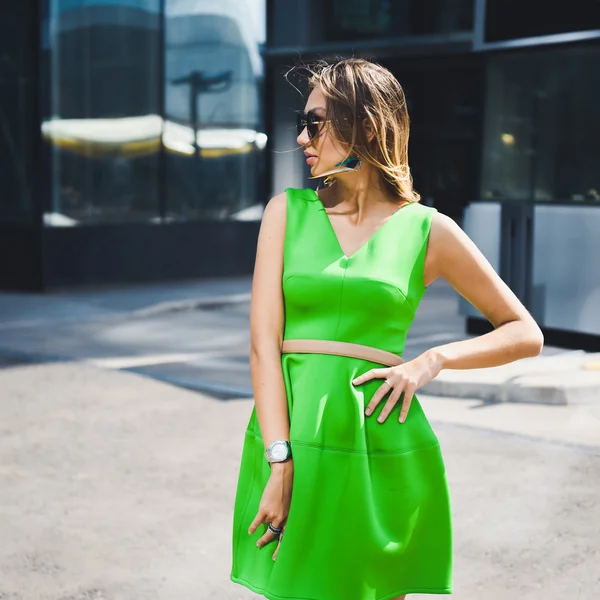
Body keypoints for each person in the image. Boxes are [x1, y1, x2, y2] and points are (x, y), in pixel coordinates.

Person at [230, 58, 544, 600]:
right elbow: (263, 345)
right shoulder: (285, 213)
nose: (303, 138)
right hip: (292, 443)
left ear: (366, 125)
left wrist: (431, 362)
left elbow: (523, 331)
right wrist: (278, 459)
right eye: (302, 124)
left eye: (317, 122)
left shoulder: (429, 230)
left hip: (380, 443)